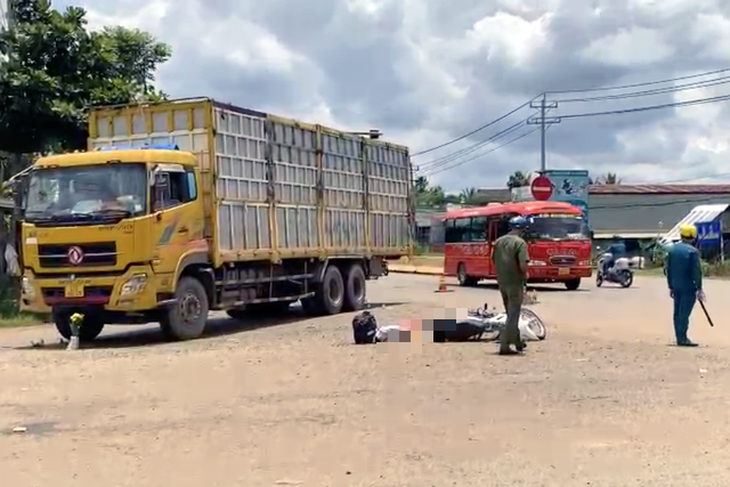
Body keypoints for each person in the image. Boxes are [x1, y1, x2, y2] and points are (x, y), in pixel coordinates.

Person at [492, 216, 529, 355]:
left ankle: (518, 342)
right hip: (515, 282)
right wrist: (525, 276)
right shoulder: (520, 243)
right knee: (513, 314)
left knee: (510, 313)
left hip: (502, 281)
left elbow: (493, 259)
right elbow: (523, 264)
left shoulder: (499, 241)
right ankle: (504, 344)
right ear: (523, 229)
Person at [665, 224, 704, 347]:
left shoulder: (672, 250)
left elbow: (668, 269)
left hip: (676, 285)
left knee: (677, 312)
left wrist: (670, 286)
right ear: (693, 236)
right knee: (684, 313)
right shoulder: (693, 251)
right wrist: (699, 288)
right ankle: (683, 339)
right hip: (688, 287)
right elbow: (696, 271)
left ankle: (679, 337)